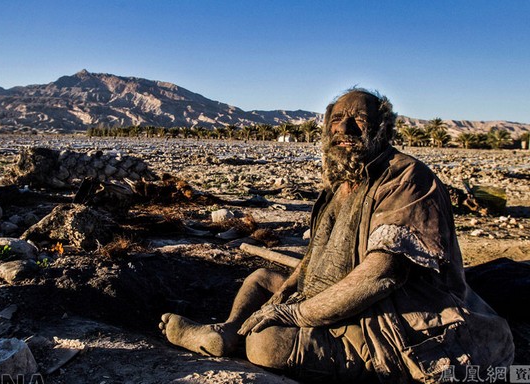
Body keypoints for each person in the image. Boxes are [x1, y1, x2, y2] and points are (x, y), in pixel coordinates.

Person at [159, 89, 514, 383]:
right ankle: (227, 332)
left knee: (267, 343)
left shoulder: (405, 178)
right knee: (262, 278)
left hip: (395, 319)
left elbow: (381, 275)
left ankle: (244, 338)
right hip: (333, 298)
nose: (345, 128)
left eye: (359, 119)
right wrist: (283, 295)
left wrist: (294, 314)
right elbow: (313, 257)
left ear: (382, 128)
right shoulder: (339, 186)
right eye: (336, 120)